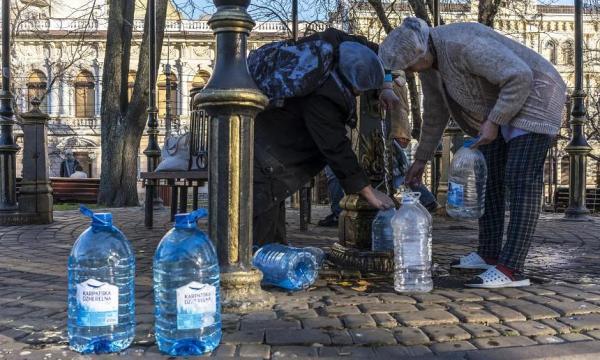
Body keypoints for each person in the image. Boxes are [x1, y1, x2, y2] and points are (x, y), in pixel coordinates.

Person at [379, 18, 566, 288]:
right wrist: (421, 160)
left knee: (520, 180)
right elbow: (435, 113)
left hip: (536, 97)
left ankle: (512, 268)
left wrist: (493, 122)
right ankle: (489, 252)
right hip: (502, 109)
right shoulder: (430, 65)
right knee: (488, 180)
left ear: (420, 53)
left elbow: (519, 75)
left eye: (409, 66)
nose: (409, 71)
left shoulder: (463, 44)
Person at [254, 28, 398, 246]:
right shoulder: (325, 96)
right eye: (361, 91)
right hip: (267, 153)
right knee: (260, 218)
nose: (360, 95)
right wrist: (369, 193)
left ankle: (271, 259)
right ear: (353, 84)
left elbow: (379, 51)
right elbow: (336, 148)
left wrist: (386, 84)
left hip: (261, 139)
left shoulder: (334, 45)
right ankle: (252, 267)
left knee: (272, 213)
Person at [389, 73, 438, 211]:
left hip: (395, 129)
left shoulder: (390, 84)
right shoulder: (402, 83)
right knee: (401, 169)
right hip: (402, 128)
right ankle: (426, 200)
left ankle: (419, 202)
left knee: (398, 171)